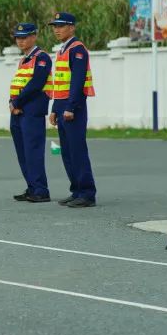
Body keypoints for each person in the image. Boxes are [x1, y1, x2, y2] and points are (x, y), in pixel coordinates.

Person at [47, 12, 97, 207]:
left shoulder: (77, 50)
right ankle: (76, 190)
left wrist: (70, 107)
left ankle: (87, 193)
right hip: (62, 106)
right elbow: (59, 84)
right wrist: (54, 108)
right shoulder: (62, 50)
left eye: (61, 26)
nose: (56, 30)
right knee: (67, 151)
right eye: (54, 26)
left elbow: (76, 83)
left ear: (72, 27)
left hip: (73, 107)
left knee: (77, 150)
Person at [8, 23, 51, 202]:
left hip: (32, 110)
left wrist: (17, 101)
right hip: (18, 111)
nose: (21, 40)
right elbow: (20, 84)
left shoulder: (42, 58)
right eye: (18, 37)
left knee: (33, 151)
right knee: (23, 152)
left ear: (34, 37)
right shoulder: (24, 59)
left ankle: (40, 190)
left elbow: (36, 85)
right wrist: (12, 102)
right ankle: (32, 186)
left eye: (24, 37)